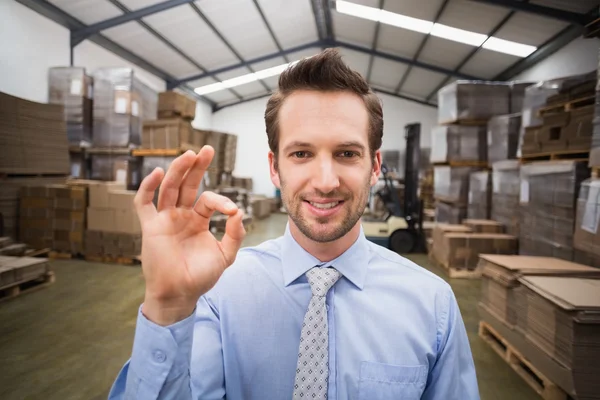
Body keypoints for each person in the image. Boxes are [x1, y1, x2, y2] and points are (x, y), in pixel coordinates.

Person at [108, 48, 479, 400]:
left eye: (347, 154)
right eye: (301, 154)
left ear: (375, 167)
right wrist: (168, 306)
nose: (325, 181)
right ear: (274, 167)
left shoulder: (432, 306)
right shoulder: (219, 294)